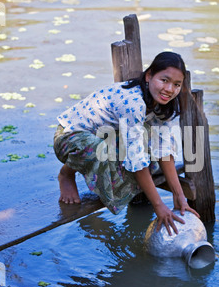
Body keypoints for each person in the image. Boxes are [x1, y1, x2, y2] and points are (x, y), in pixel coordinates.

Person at [53, 51, 199, 235]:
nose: (170, 89)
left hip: (108, 137)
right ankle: (66, 173)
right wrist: (158, 205)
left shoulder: (162, 102)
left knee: (149, 150)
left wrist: (179, 196)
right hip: (70, 138)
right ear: (149, 76)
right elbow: (136, 160)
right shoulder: (133, 103)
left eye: (176, 84)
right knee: (118, 157)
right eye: (164, 80)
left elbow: (162, 147)